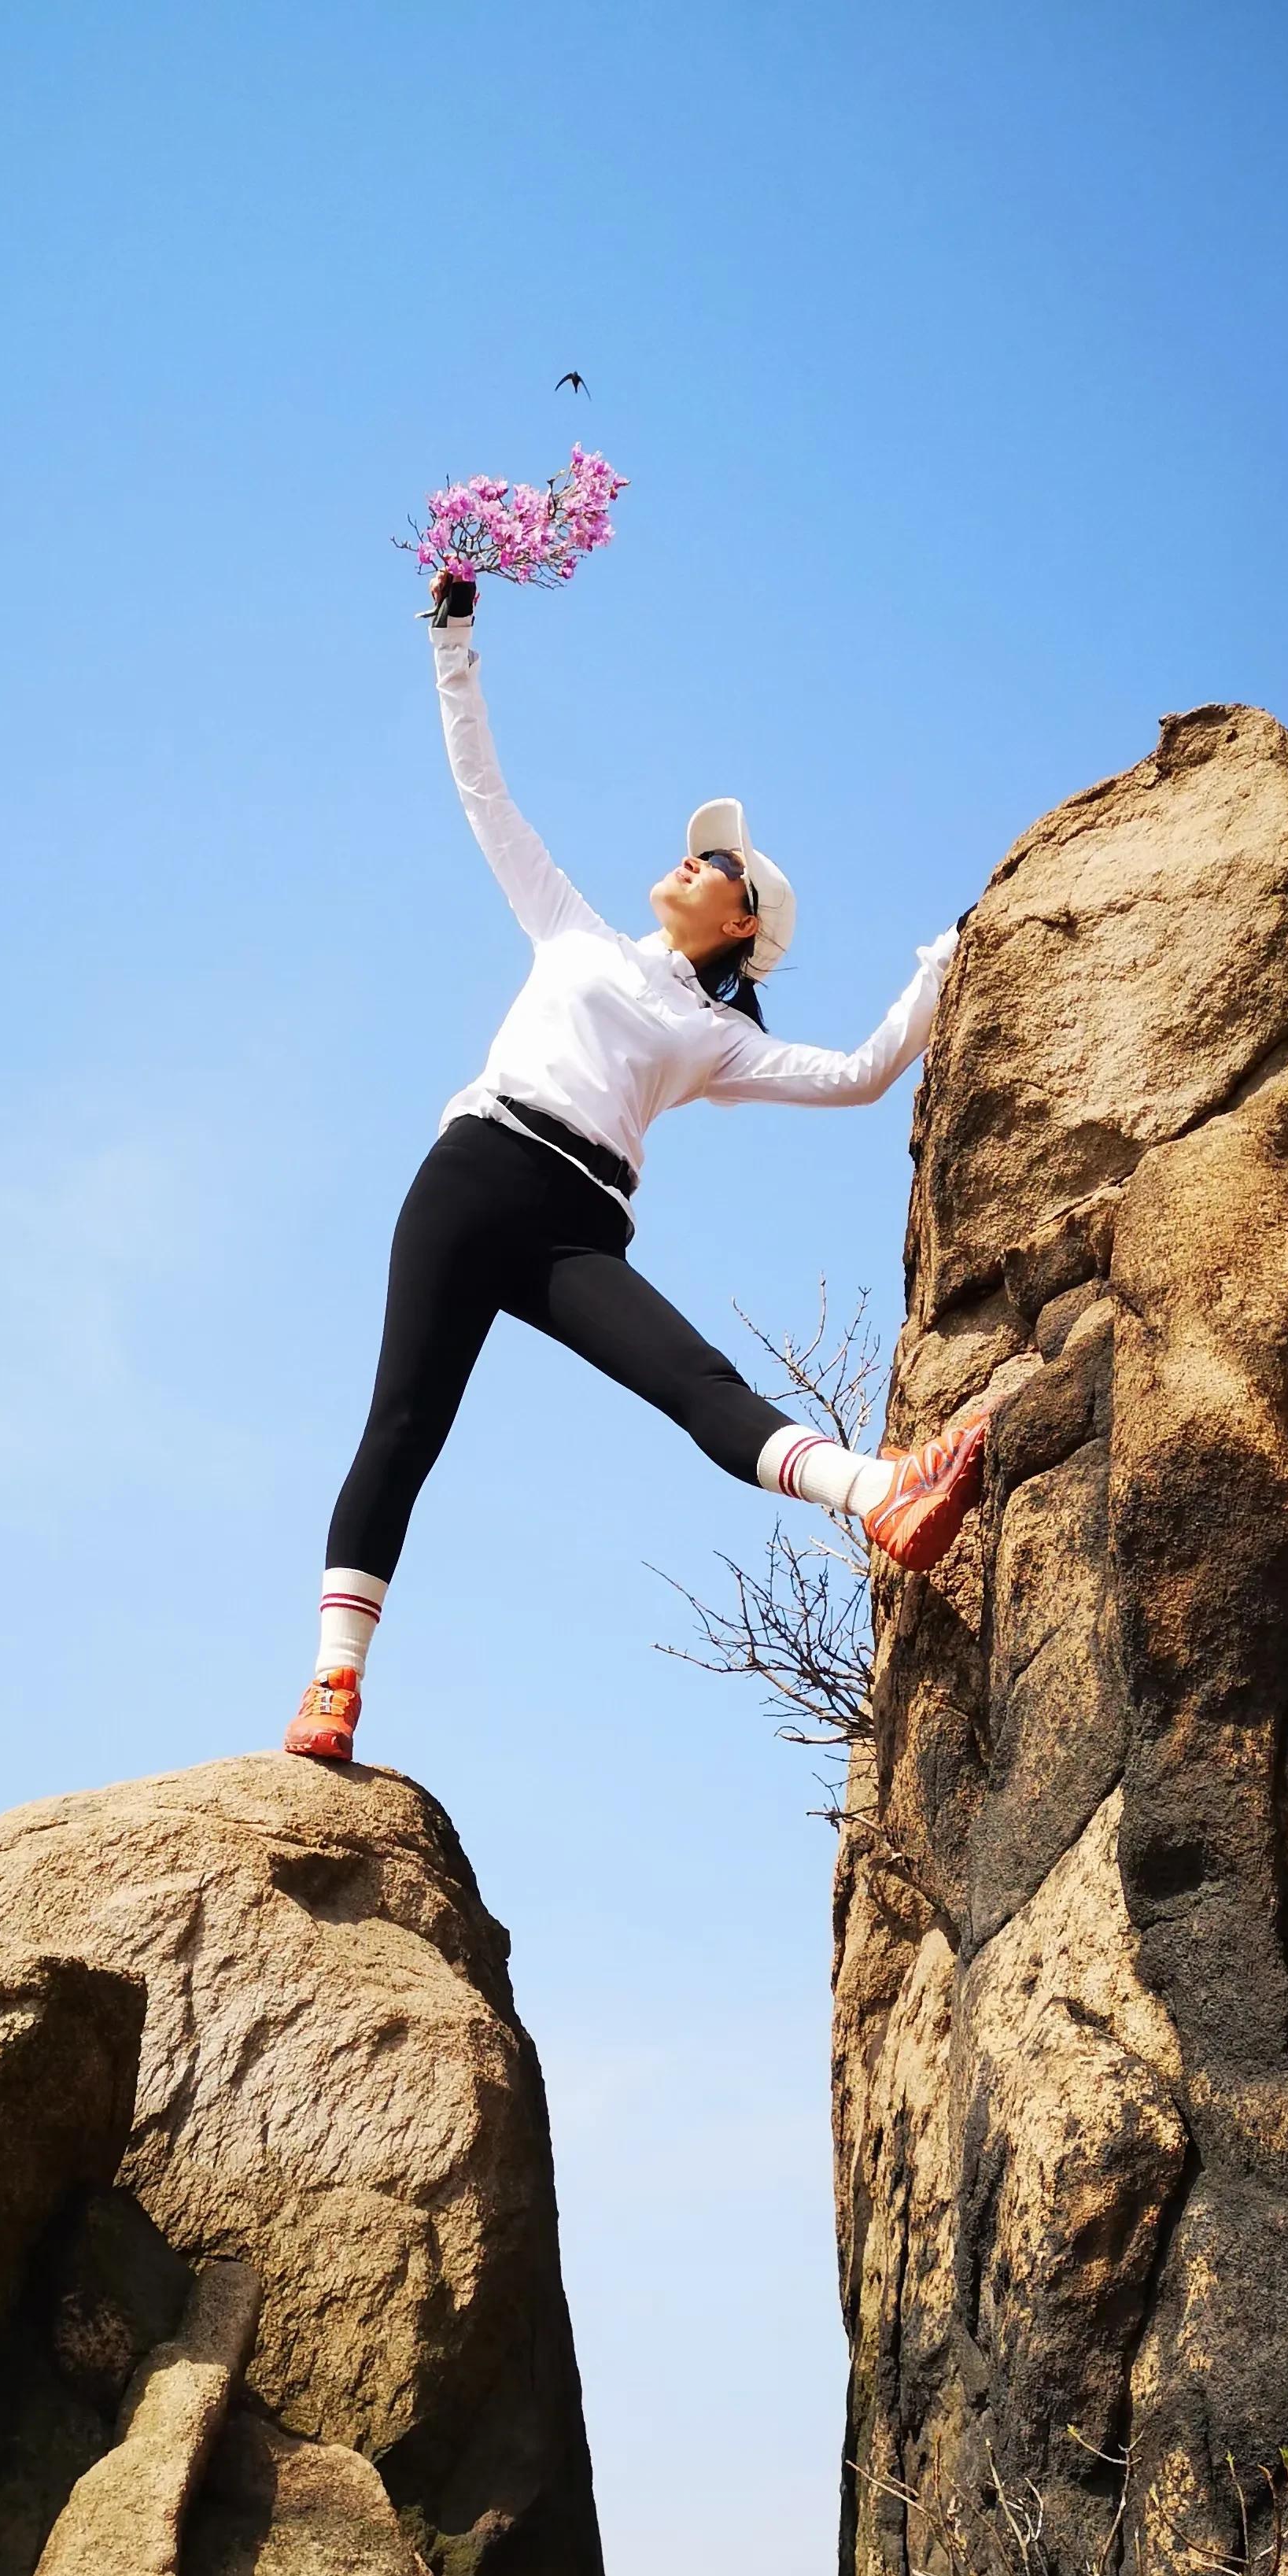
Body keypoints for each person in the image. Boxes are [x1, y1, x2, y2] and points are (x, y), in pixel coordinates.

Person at [284, 573, 985, 1763]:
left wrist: (944, 961)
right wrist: (455, 640)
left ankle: (882, 1496)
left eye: (719, 866)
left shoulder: (719, 1036)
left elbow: (864, 1074)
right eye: (697, 852)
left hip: (575, 1223)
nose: (692, 861)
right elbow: (482, 790)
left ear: (739, 929)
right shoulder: (570, 927)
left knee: (695, 1383)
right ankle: (332, 1691)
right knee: (403, 1421)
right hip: (470, 1174)